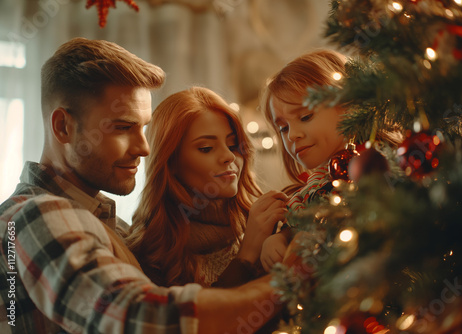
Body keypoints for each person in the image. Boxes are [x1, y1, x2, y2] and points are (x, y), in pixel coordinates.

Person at [0, 37, 284, 334]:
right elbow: (144, 319)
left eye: (143, 128)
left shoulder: (115, 228)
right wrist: (292, 277)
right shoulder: (36, 215)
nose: (144, 148)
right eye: (123, 127)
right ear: (63, 127)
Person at [126, 87, 288, 288]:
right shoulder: (149, 249)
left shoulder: (263, 220)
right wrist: (247, 255)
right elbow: (199, 319)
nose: (229, 156)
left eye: (232, 144)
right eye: (206, 148)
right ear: (170, 162)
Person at [258, 49, 401, 271]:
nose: (292, 135)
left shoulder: (381, 164)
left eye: (305, 117)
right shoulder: (310, 188)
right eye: (283, 128)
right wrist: (279, 239)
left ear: (350, 107)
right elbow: (304, 219)